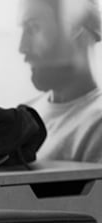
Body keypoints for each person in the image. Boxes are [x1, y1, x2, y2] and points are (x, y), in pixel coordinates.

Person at [19, 0, 102, 162]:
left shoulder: (97, 124)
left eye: (33, 28)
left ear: (76, 31)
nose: (22, 47)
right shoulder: (25, 114)